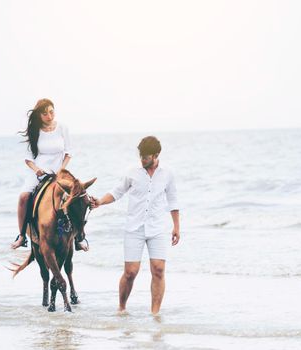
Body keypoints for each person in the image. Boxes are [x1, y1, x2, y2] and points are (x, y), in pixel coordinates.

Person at [91, 136, 180, 315]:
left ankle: (155, 313)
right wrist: (100, 201)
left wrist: (176, 226)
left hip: (158, 228)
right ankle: (122, 308)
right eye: (141, 156)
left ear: (156, 155)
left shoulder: (168, 173)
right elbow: (117, 192)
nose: (142, 160)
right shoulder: (132, 172)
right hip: (134, 228)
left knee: (159, 269)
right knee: (131, 272)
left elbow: (173, 199)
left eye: (146, 157)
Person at [11, 98, 88, 251]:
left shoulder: (62, 128)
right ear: (39, 115)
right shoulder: (34, 131)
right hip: (40, 171)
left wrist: (62, 170)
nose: (49, 116)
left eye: (51, 112)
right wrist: (37, 170)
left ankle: (79, 237)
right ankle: (21, 236)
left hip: (60, 172)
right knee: (23, 197)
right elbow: (28, 159)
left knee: (80, 197)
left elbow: (69, 152)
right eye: (45, 113)